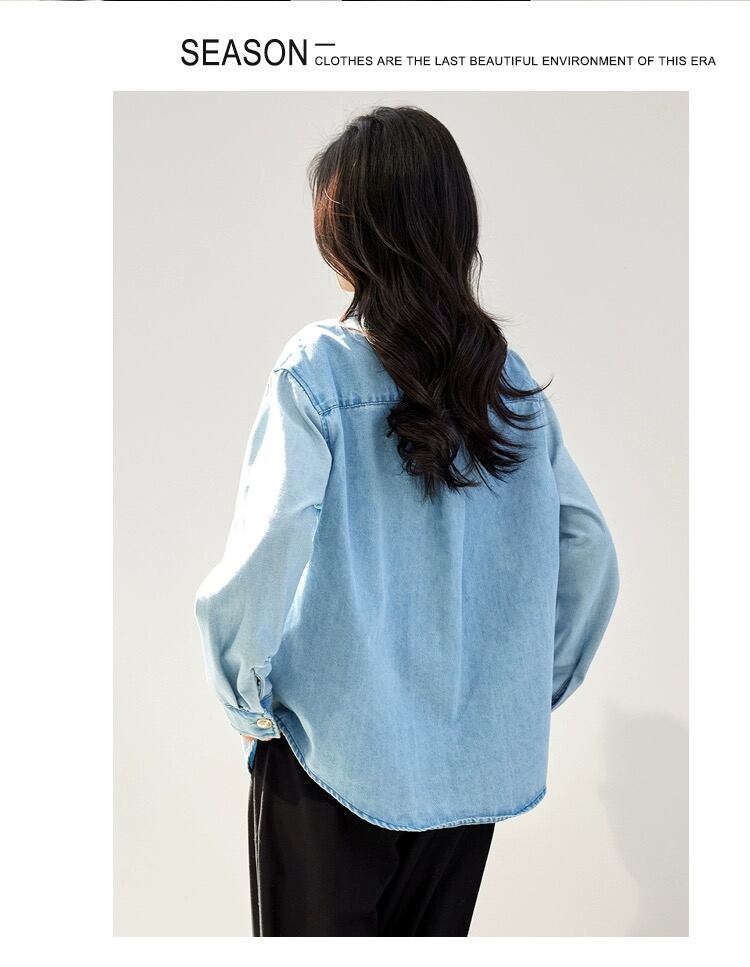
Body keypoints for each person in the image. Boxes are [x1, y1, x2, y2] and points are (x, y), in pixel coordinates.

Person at [194, 105, 620, 937]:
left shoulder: (318, 368)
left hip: (331, 761)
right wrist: (514, 692)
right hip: (466, 775)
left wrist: (249, 702)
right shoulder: (506, 382)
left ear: (352, 234)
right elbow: (590, 549)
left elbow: (273, 534)